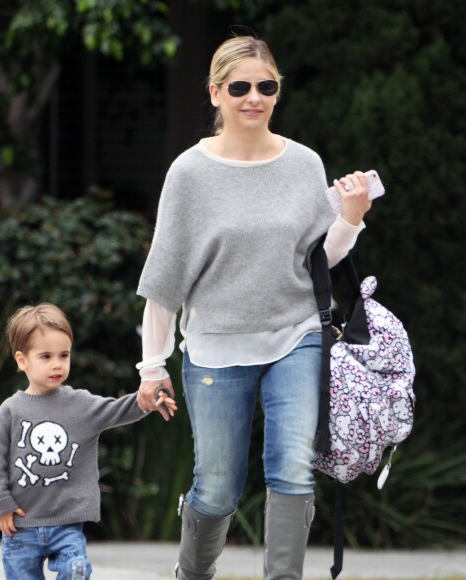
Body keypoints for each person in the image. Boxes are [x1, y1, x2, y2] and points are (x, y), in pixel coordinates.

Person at [135, 35, 372, 580]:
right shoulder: (189, 174)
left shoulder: (303, 164)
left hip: (296, 336)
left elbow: (318, 258)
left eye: (266, 86)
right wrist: (152, 366)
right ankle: (192, 574)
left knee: (292, 469)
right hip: (216, 348)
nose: (254, 97)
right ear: (215, 93)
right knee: (216, 488)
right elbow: (165, 280)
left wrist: (352, 216)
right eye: (239, 87)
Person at [0, 303, 176, 580]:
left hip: (67, 524)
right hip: (20, 524)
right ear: (22, 360)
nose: (57, 364)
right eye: (46, 356)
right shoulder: (10, 412)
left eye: (64, 355)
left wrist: (146, 401)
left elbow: (117, 410)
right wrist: (1, 503)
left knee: (76, 569)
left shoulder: (80, 404)